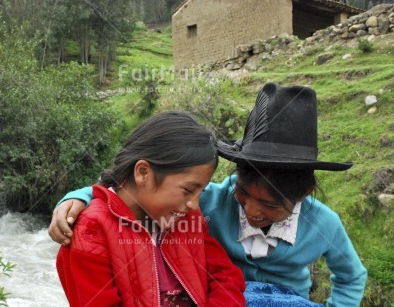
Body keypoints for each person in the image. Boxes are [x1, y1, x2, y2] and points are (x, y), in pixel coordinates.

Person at [50, 83, 367, 306]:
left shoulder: (324, 224)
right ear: (234, 182)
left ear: (303, 196)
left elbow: (351, 277)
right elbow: (125, 195)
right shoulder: (209, 202)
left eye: (270, 205)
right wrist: (79, 198)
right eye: (243, 195)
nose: (252, 211)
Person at [56, 110, 246, 306]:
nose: (194, 204)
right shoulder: (92, 231)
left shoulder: (187, 219)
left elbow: (226, 278)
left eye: (200, 192)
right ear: (143, 173)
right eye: (188, 189)